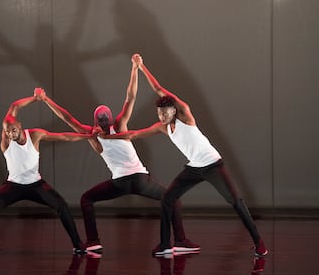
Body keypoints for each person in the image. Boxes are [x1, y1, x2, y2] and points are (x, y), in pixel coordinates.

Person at [100, 55, 268, 257]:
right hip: (194, 168)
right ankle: (165, 245)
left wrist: (141, 67)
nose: (162, 116)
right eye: (159, 113)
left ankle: (259, 243)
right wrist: (111, 137)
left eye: (165, 113)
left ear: (173, 110)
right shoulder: (163, 127)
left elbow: (159, 89)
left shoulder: (186, 115)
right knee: (167, 199)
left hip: (213, 164)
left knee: (235, 202)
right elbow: (134, 134)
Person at [36, 54, 199, 255]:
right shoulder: (119, 126)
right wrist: (134, 68)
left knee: (87, 199)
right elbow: (130, 97)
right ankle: (180, 240)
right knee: (173, 199)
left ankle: (93, 241)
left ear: (96, 122)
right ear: (110, 119)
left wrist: (45, 100)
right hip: (140, 179)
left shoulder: (91, 134)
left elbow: (67, 118)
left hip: (120, 183)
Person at [0, 88, 95, 255]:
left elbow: (64, 137)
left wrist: (87, 137)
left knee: (62, 206)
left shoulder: (35, 136)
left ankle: (78, 245)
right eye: (7, 131)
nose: (10, 134)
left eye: (13, 130)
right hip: (13, 186)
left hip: (36, 185)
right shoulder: (6, 141)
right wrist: (34, 99)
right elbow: (13, 107)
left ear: (20, 125)